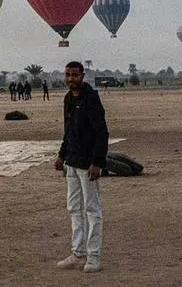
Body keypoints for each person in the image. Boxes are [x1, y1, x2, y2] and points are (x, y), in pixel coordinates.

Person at [54, 61, 109, 273]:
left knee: (92, 209)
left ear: (82, 76)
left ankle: (93, 256)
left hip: (88, 164)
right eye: (67, 75)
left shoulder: (91, 99)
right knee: (74, 208)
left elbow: (101, 132)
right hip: (72, 162)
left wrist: (98, 162)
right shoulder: (68, 99)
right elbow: (68, 130)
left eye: (75, 75)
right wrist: (61, 155)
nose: (71, 79)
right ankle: (78, 252)